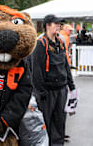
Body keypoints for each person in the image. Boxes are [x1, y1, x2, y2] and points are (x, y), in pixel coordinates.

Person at [32, 14, 76, 146]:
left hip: (61, 90)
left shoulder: (60, 43)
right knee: (46, 123)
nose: (59, 26)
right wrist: (41, 94)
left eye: (59, 24)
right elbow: (36, 71)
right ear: (47, 26)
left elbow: (66, 65)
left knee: (59, 122)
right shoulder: (40, 44)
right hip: (48, 92)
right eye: (55, 24)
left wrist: (71, 86)